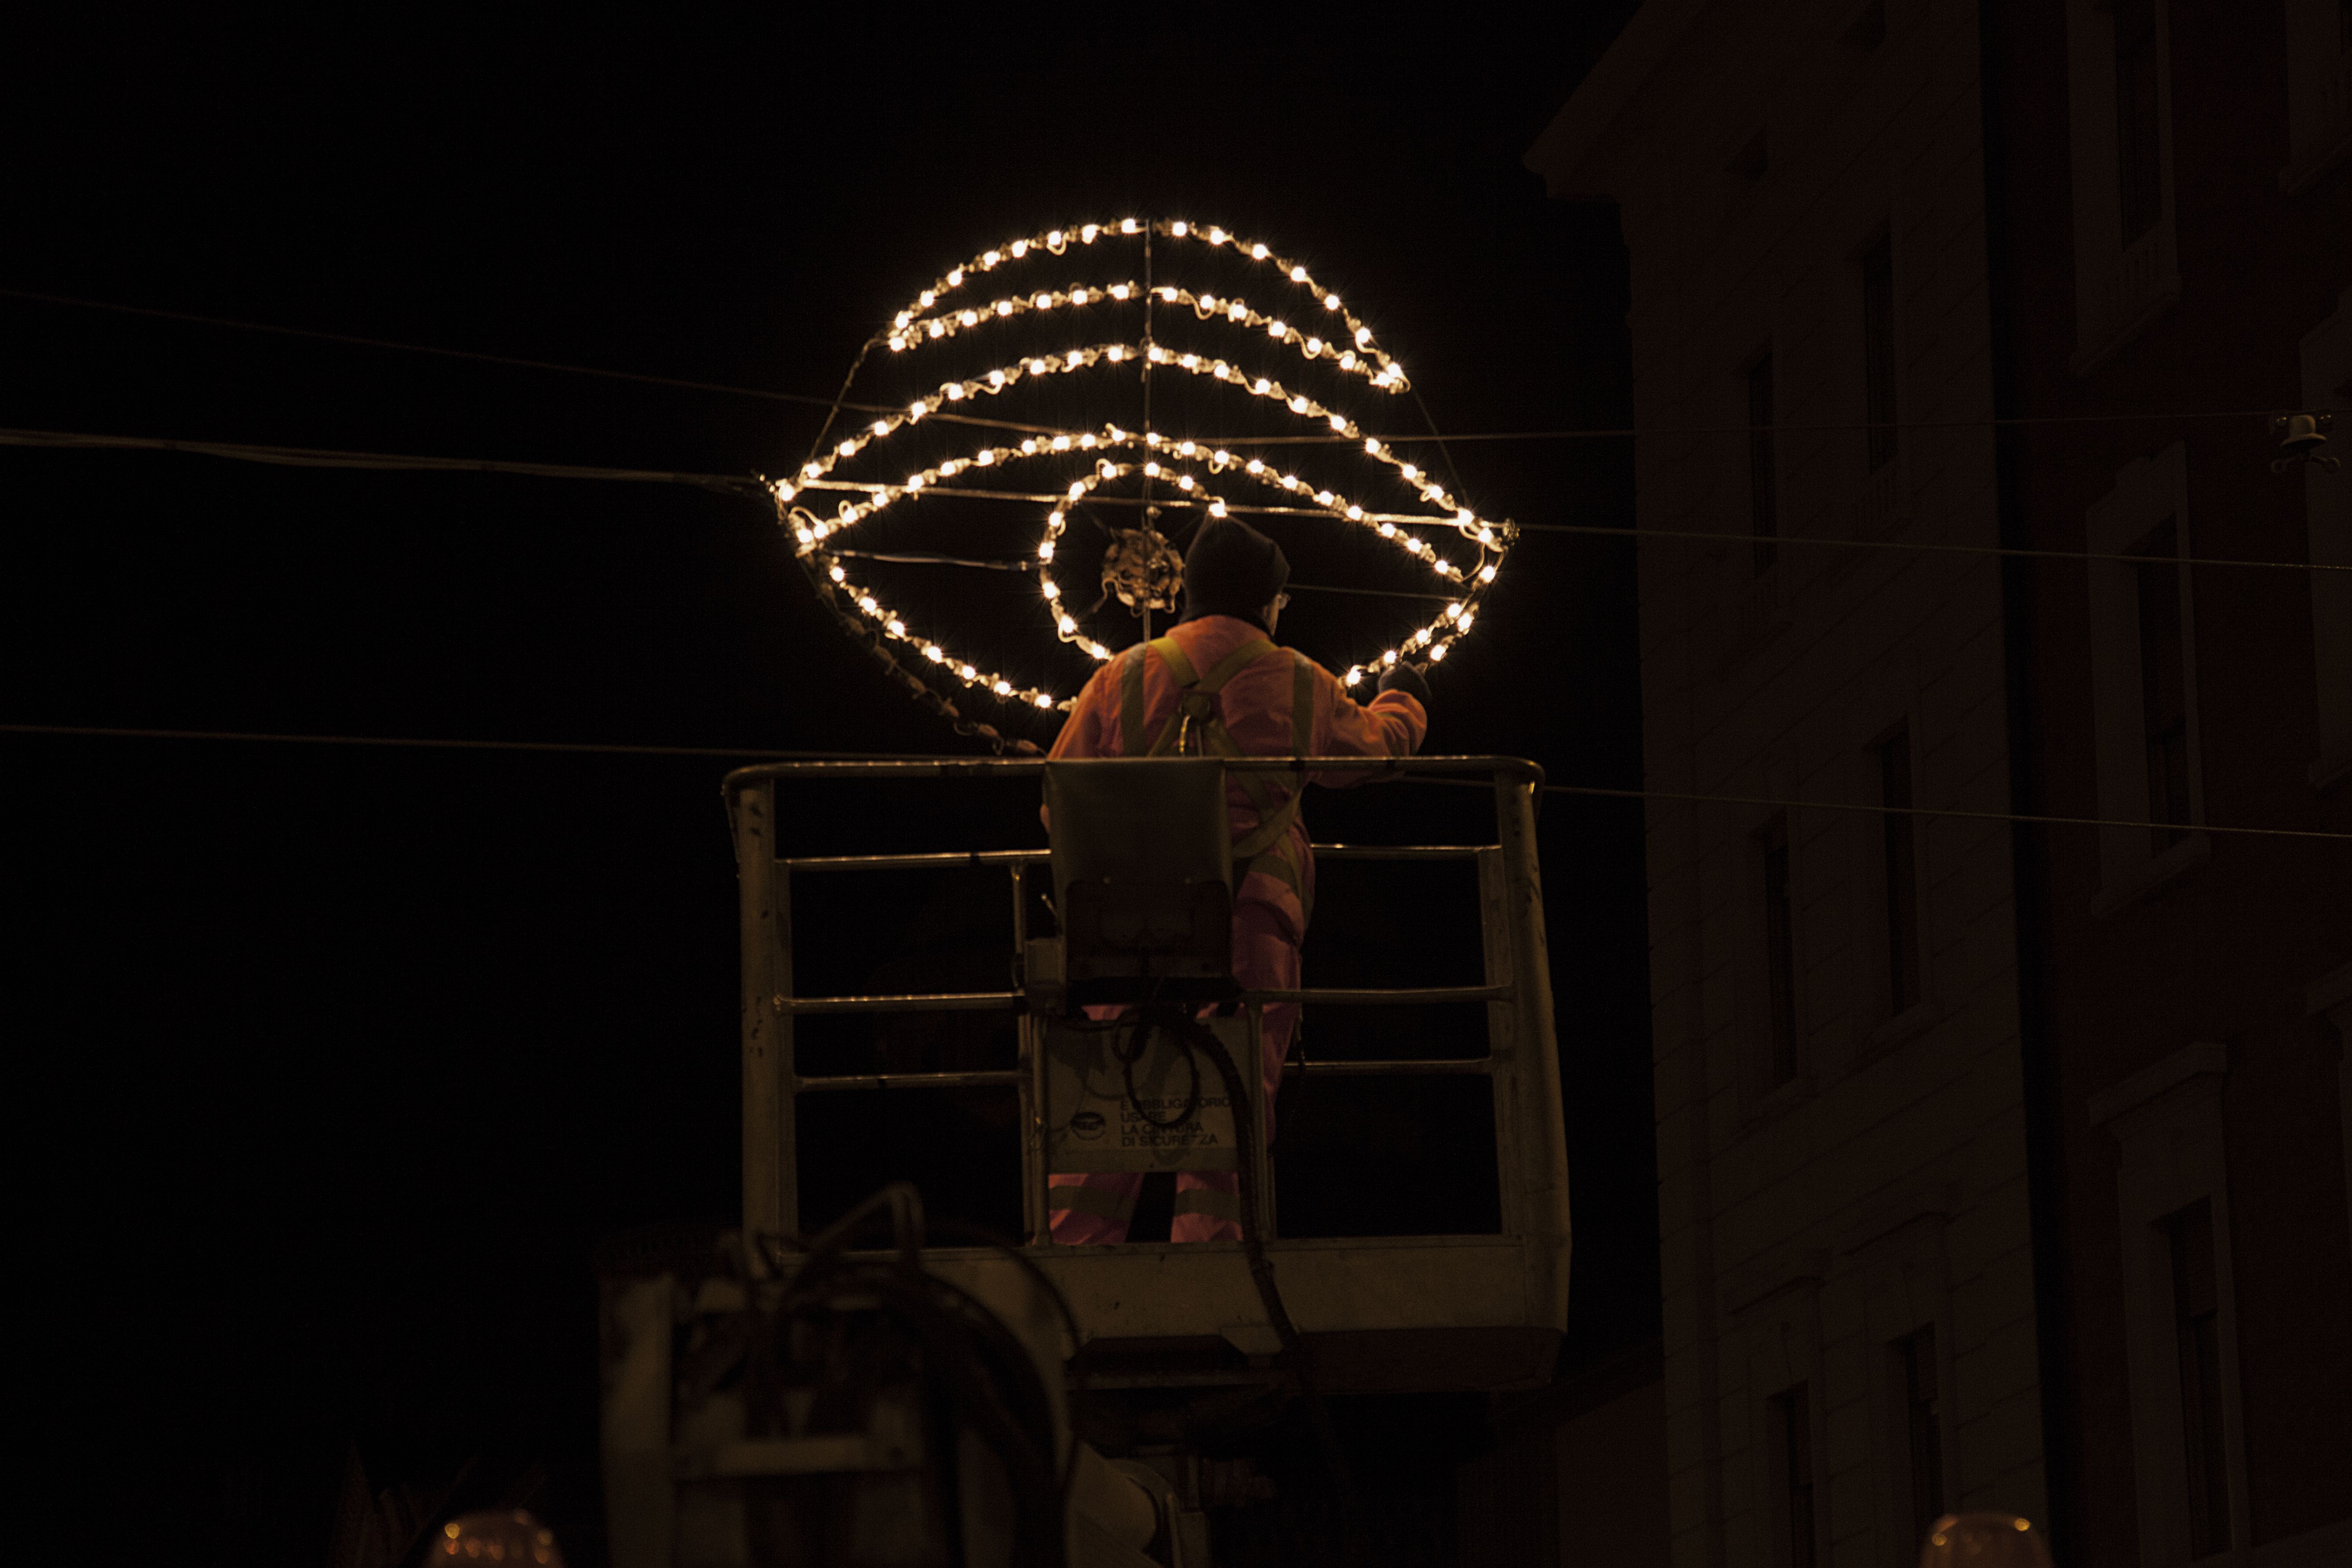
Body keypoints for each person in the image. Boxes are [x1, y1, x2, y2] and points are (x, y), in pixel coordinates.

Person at [1043, 516, 1430, 1243]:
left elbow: (1057, 798)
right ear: (1269, 599)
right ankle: (1214, 1261)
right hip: (1253, 919)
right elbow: (1372, 752)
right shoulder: (1299, 679)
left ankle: (1070, 1259)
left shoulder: (1118, 676)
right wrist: (1404, 696)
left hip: (1128, 924)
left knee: (1103, 1091)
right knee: (1235, 1090)